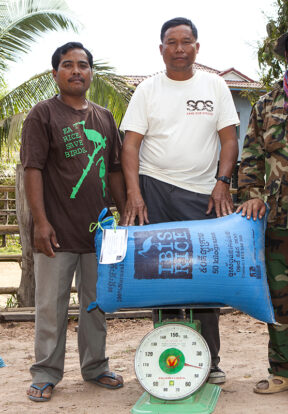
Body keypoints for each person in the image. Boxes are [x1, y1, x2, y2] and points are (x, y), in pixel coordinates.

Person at [120, 17, 239, 384]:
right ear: (161, 49)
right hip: (154, 190)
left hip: (204, 196)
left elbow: (230, 140)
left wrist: (222, 182)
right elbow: (130, 145)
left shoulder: (215, 86)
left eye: (186, 41)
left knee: (204, 278)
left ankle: (210, 362)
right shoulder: (147, 90)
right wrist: (135, 194)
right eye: (171, 42)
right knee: (163, 279)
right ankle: (169, 362)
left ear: (197, 47)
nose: (179, 48)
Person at [21, 42, 126, 402]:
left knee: (96, 303)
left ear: (91, 73)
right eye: (68, 65)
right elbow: (31, 170)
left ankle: (95, 366)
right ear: (56, 74)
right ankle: (46, 372)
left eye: (83, 65)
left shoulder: (105, 117)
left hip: (99, 231)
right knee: (51, 305)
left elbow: (114, 170)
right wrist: (40, 222)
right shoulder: (42, 115)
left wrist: (124, 211)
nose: (76, 70)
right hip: (56, 231)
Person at [237, 32, 288, 394]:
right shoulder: (267, 105)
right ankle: (282, 371)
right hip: (278, 220)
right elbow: (252, 158)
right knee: (280, 299)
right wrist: (253, 196)